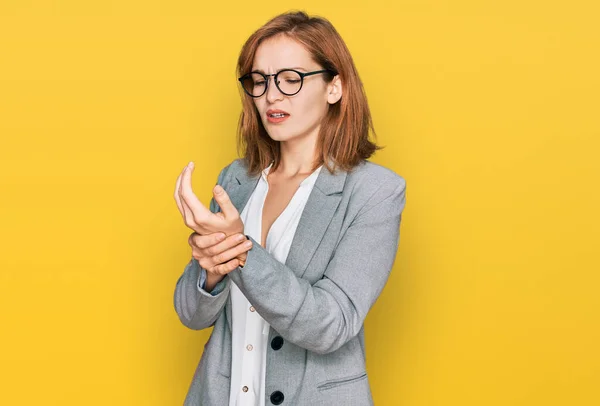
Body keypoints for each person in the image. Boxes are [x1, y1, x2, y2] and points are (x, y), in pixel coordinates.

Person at [173, 10, 407, 406]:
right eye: (260, 81)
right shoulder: (236, 180)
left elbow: (331, 325)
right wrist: (211, 273)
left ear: (335, 87)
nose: (271, 95)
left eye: (291, 79)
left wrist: (240, 251)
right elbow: (191, 314)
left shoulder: (375, 191)